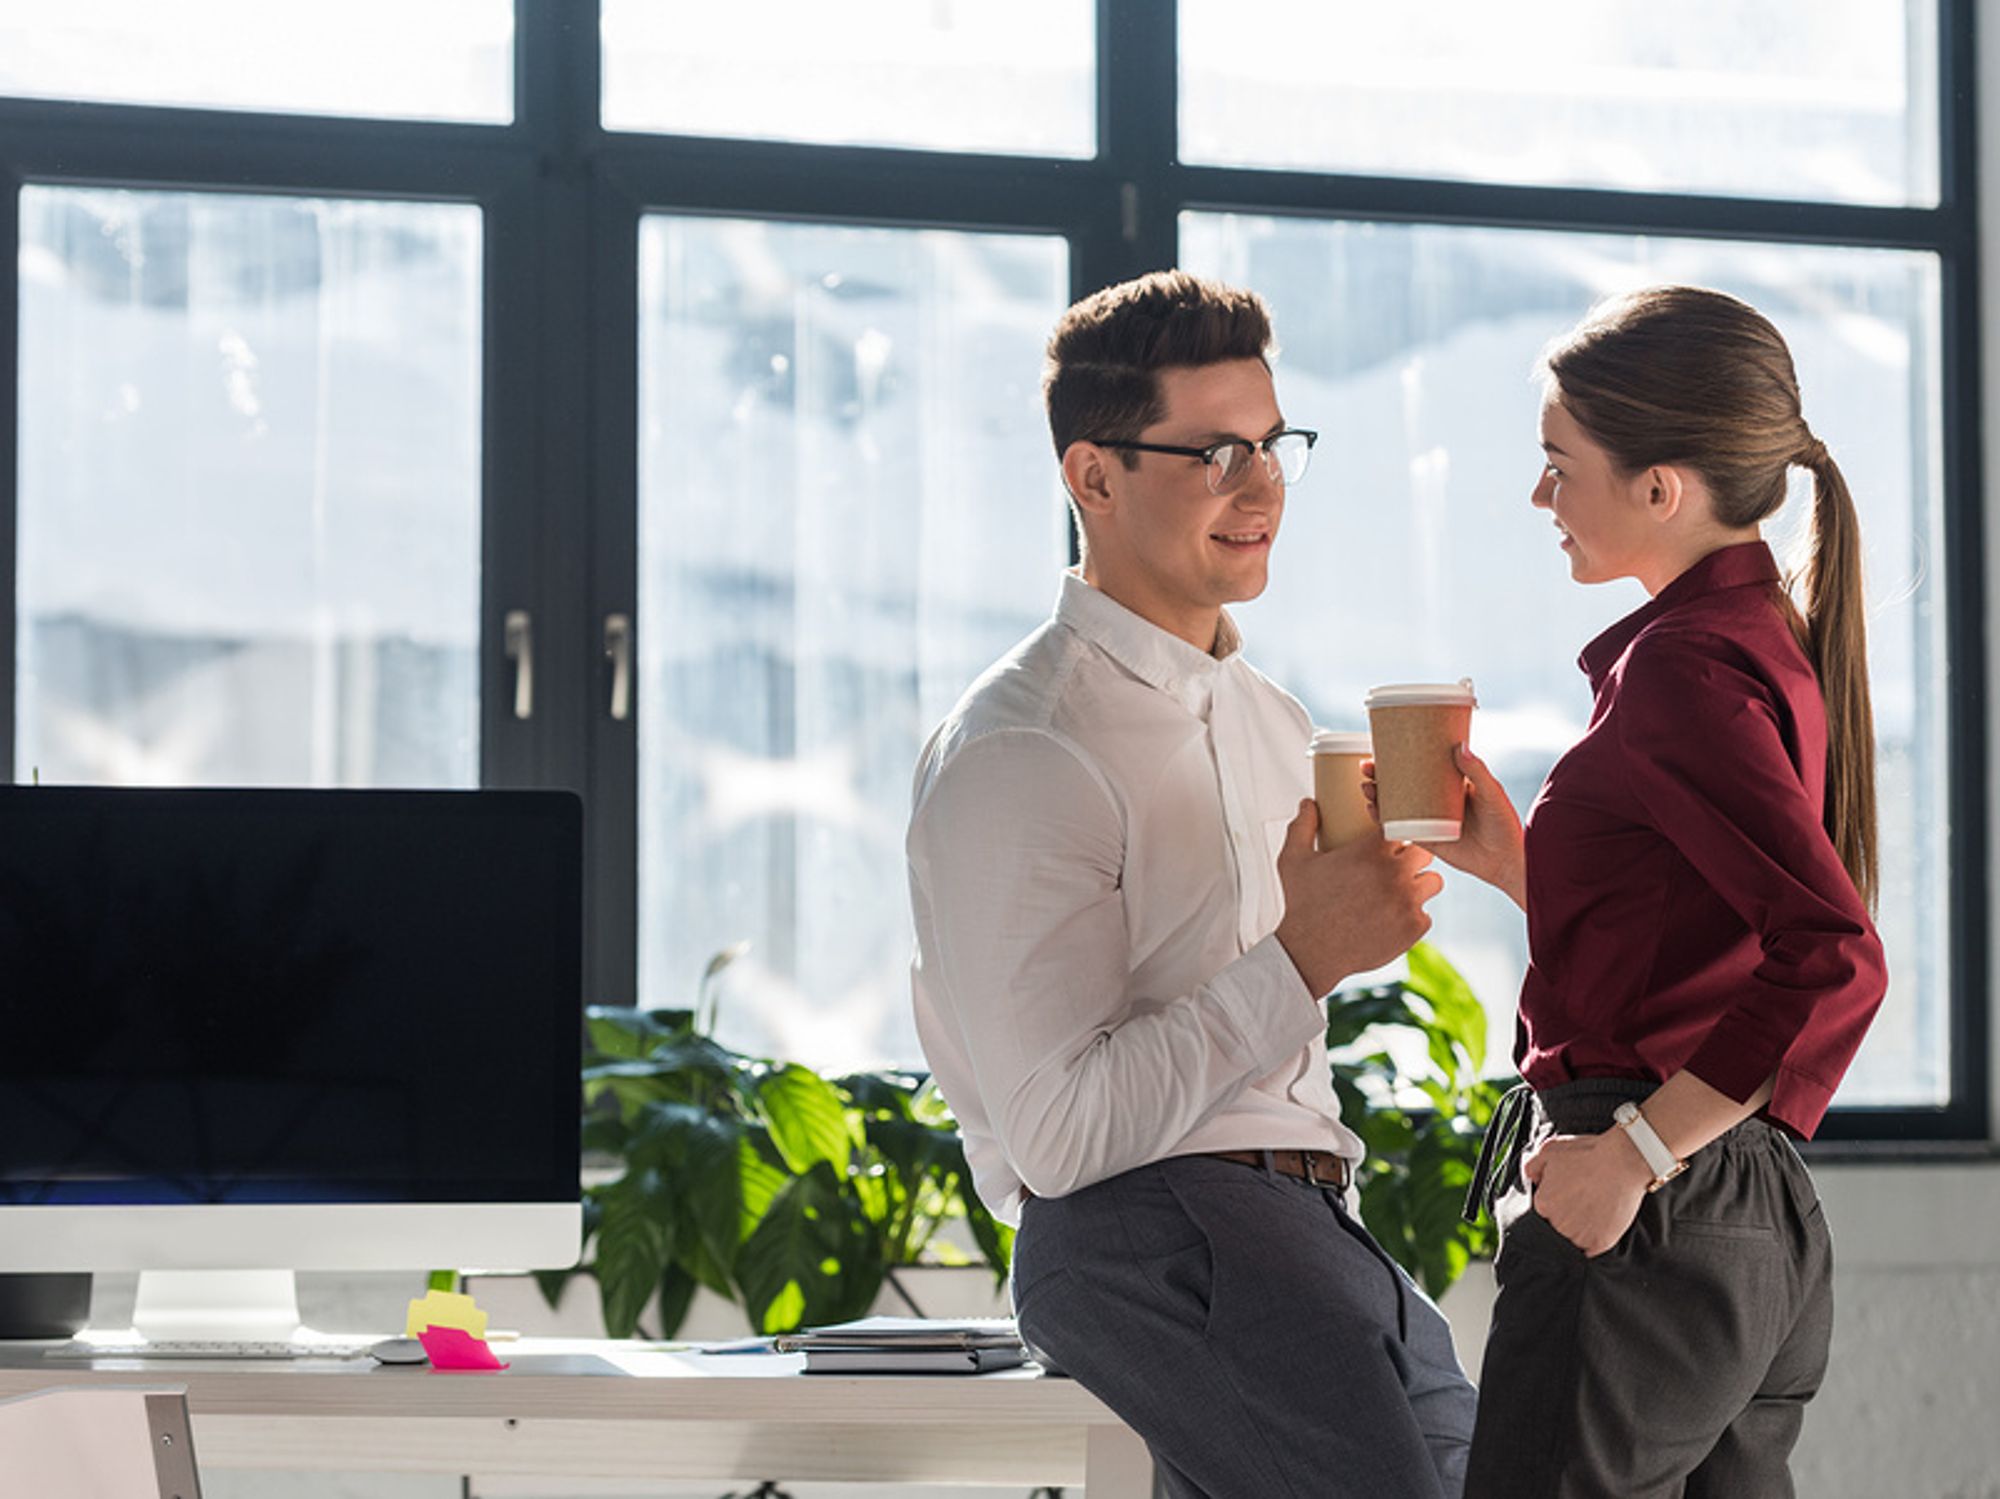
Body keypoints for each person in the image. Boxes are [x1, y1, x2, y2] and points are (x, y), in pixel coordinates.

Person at [905, 269, 1478, 1498]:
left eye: (1273, 445)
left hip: (1309, 1224)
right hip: (1151, 1228)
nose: (1261, 484)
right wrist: (1303, 958)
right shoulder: (1024, 746)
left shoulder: (1276, 721)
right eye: (1214, 451)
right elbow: (1057, 1140)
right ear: (1091, 476)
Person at [1407, 285, 1888, 1498]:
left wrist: (1627, 1150)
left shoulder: (1678, 669)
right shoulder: (1754, 640)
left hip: (1656, 1200)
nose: (1538, 498)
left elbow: (1831, 953)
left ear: (1660, 486)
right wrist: (1521, 864)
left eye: (1557, 465)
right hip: (1746, 1211)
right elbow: (1696, 941)